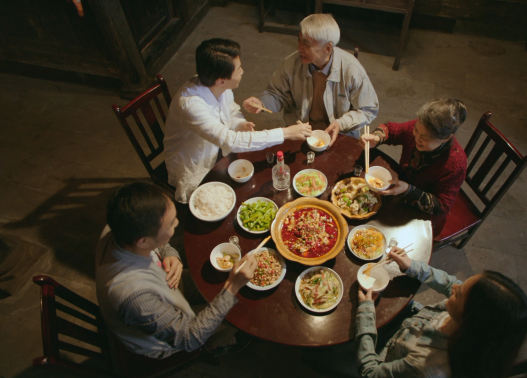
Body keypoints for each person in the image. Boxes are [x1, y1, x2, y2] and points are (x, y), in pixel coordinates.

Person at [95, 182, 258, 359]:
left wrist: (169, 253)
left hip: (166, 283)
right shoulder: (136, 297)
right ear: (143, 242)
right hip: (171, 337)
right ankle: (214, 344)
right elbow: (188, 338)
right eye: (172, 224)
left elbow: (157, 243)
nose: (178, 223)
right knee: (243, 306)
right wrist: (232, 287)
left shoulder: (121, 229)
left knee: (222, 278)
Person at [164, 38, 312, 203]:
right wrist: (286, 133)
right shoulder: (191, 105)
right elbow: (230, 141)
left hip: (217, 149)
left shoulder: (217, 84)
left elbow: (232, 110)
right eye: (239, 68)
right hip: (195, 161)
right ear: (221, 80)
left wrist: (239, 123)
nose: (242, 71)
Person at [355, 247, 527, 378]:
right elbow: (450, 283)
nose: (454, 288)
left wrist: (365, 310)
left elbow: (370, 376)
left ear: (470, 320)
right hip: (413, 323)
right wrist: (412, 266)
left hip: (390, 354)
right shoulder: (476, 331)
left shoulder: (423, 366)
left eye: (459, 294)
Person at [243, 13, 379, 146]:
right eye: (299, 40)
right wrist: (262, 103)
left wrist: (341, 123)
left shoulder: (352, 70)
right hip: (300, 132)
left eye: (306, 44)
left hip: (341, 135)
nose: (299, 48)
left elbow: (368, 109)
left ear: (327, 48)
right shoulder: (291, 64)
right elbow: (277, 94)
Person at [359, 99, 468, 233]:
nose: (416, 138)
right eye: (416, 129)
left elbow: (441, 206)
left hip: (422, 213)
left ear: (445, 139)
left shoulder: (456, 163)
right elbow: (390, 129)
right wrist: (376, 137)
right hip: (401, 189)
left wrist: (409, 190)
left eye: (425, 138)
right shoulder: (419, 128)